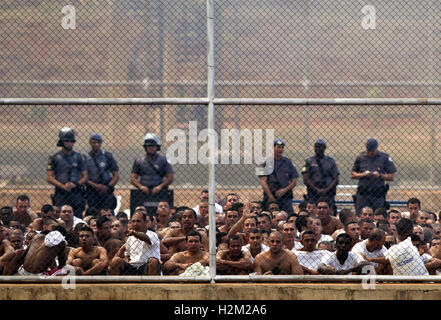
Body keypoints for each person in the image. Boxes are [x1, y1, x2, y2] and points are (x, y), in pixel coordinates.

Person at [47, 127, 88, 218]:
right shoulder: (54, 157)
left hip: (76, 192)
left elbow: (85, 176)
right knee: (60, 216)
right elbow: (49, 177)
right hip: (60, 192)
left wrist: (75, 184)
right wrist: (63, 186)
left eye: (71, 141)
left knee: (77, 217)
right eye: (67, 141)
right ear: (62, 141)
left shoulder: (79, 157)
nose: (69, 143)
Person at [130, 133, 173, 214]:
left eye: (153, 146)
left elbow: (170, 177)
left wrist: (160, 187)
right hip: (143, 192)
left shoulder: (163, 160)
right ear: (145, 147)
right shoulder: (139, 161)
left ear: (157, 147)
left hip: (159, 192)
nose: (151, 148)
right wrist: (141, 187)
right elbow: (133, 178)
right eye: (148, 146)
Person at [351, 138, 396, 214]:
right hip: (363, 194)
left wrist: (379, 176)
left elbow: (391, 176)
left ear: (376, 148)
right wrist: (363, 174)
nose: (370, 152)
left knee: (378, 215)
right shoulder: (361, 157)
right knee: (361, 215)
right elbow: (353, 174)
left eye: (372, 150)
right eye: (368, 150)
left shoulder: (384, 158)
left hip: (377, 194)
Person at [109, 210, 161, 275]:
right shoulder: (130, 238)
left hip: (146, 266)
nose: (135, 224)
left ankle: (151, 285)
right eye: (133, 221)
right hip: (133, 267)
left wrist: (134, 233)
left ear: (145, 222)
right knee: (116, 260)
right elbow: (127, 255)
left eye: (138, 221)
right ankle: (115, 285)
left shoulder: (152, 234)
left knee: (153, 261)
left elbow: (146, 238)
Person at [258, 138, 298, 214]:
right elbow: (263, 181)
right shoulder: (266, 162)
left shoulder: (288, 162)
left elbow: (294, 181)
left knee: (288, 215)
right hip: (270, 197)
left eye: (282, 147)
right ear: (273, 148)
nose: (280, 149)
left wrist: (284, 190)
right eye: (278, 147)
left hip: (286, 197)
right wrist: (270, 196)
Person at [301, 138, 339, 212]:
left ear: (324, 148)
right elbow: (306, 179)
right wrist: (317, 189)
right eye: (316, 146)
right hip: (313, 193)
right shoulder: (309, 161)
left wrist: (326, 190)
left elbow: (336, 179)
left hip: (328, 193)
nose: (318, 148)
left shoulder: (330, 161)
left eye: (320, 146)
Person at [84, 133, 119, 212]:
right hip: (92, 191)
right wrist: (96, 186)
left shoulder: (108, 156)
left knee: (108, 212)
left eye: (98, 142)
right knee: (93, 212)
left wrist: (108, 186)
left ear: (101, 143)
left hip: (106, 190)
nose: (96, 144)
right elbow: (83, 177)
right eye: (94, 142)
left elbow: (116, 175)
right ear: (90, 142)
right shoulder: (85, 158)